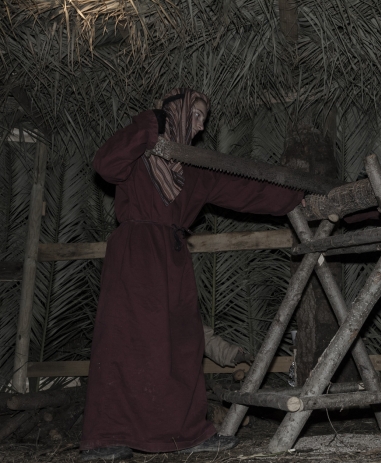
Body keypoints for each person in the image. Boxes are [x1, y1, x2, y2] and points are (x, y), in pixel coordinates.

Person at [80, 88, 304, 461]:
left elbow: (246, 192)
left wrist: (300, 197)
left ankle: (183, 434)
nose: (200, 125)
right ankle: (107, 437)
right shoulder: (140, 152)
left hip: (173, 256)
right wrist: (149, 124)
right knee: (125, 340)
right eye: (196, 114)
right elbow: (105, 164)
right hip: (135, 251)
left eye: (204, 118)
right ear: (174, 112)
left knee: (183, 346)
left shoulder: (194, 168)